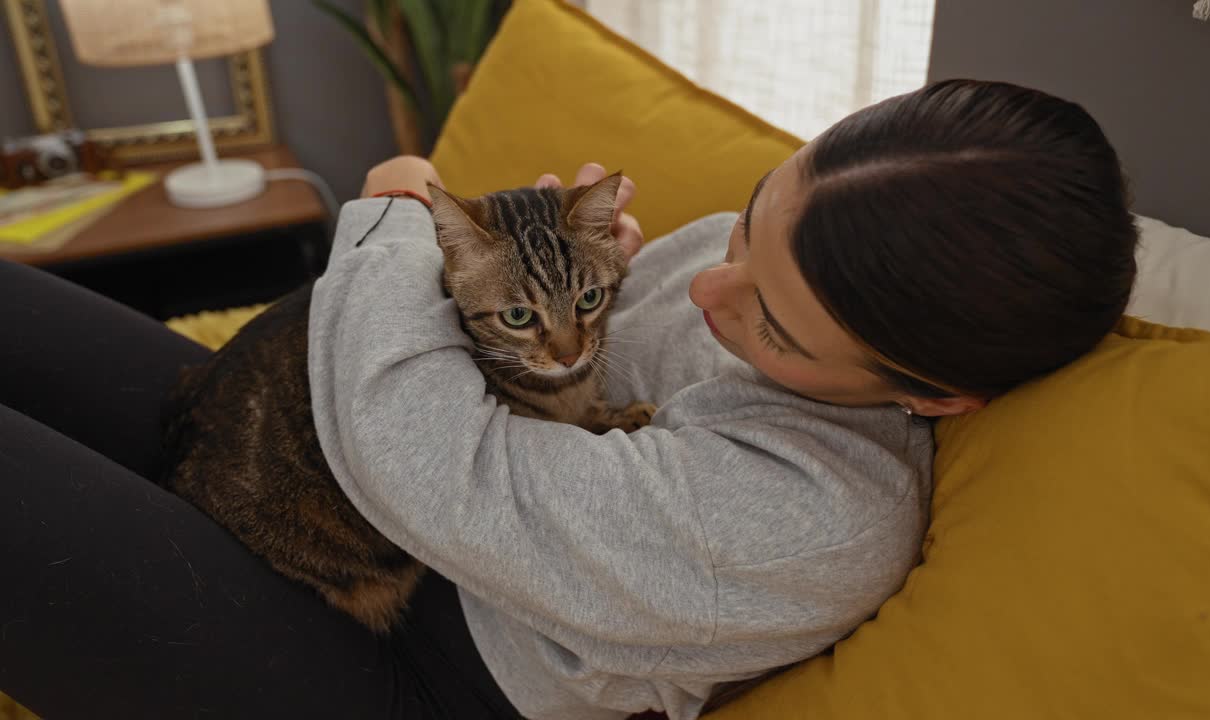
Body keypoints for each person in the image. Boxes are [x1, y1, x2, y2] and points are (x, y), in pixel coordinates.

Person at [0, 79, 1136, 720]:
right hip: (343, 462)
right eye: (745, 222)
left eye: (771, 323)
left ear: (934, 399)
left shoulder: (814, 515)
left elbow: (436, 467)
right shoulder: (764, 273)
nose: (703, 287)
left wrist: (400, 214)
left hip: (401, 660)